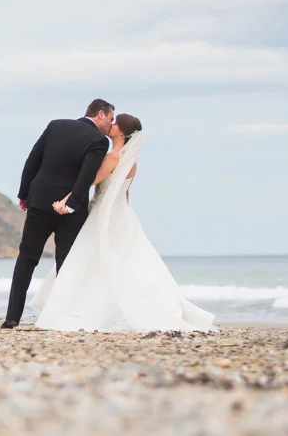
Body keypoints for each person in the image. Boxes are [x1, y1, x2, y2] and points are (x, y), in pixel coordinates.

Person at [32, 114, 216, 332]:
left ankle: (85, 308)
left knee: (91, 260)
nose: (112, 124)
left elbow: (88, 183)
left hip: (103, 212)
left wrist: (65, 200)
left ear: (120, 132)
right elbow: (124, 193)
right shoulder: (132, 163)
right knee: (124, 261)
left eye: (115, 122)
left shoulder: (111, 158)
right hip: (122, 213)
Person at [2, 99, 114, 329]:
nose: (110, 124)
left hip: (40, 202)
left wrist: (24, 194)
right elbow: (86, 175)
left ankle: (12, 317)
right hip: (70, 212)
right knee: (66, 263)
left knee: (26, 259)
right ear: (100, 114)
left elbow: (33, 160)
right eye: (111, 118)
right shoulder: (98, 140)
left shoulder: (56, 125)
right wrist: (70, 204)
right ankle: (61, 317)